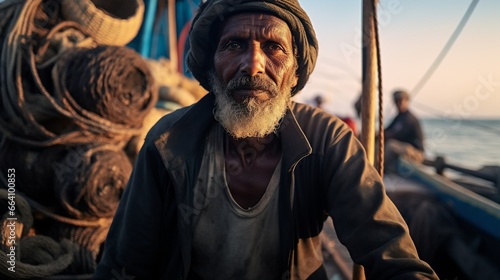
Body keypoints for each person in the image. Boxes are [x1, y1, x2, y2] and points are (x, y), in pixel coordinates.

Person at [94, 0, 438, 279]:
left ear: (294, 71)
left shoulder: (327, 140)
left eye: (273, 47)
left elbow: (392, 255)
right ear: (212, 65)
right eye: (234, 44)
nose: (253, 65)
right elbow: (125, 263)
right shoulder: (167, 141)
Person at [384, 90, 425, 170]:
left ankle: (382, 170)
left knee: (390, 145)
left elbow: (398, 135)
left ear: (407, 101)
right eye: (396, 101)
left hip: (416, 152)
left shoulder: (409, 118)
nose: (398, 104)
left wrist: (385, 134)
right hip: (404, 149)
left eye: (401, 101)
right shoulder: (399, 117)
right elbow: (387, 130)